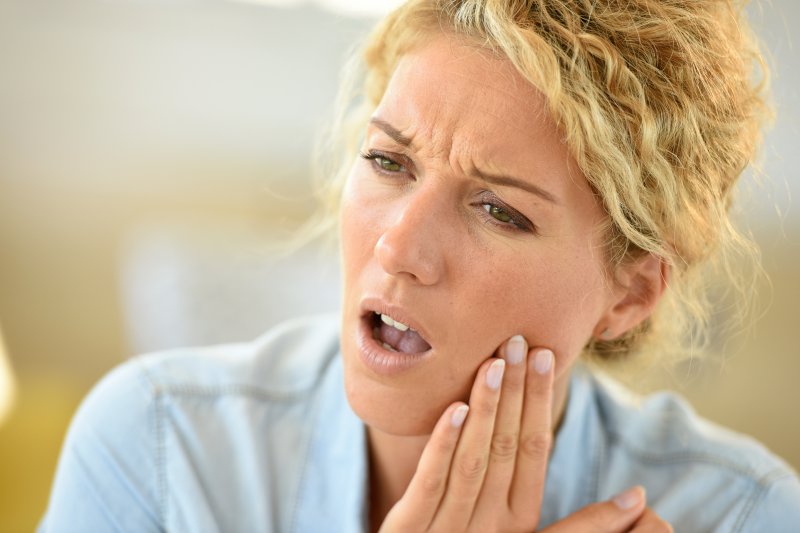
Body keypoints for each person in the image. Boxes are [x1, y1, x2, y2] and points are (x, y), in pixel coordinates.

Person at [39, 0, 800, 531]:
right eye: (387, 160)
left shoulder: (742, 515)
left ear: (629, 293)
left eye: (499, 209)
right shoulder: (158, 448)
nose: (397, 247)